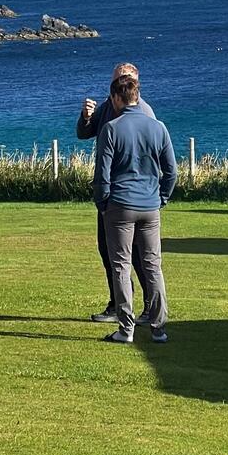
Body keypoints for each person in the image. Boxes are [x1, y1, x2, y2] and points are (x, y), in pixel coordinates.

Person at [96, 72, 177, 345]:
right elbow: (171, 172)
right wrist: (162, 197)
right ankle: (158, 328)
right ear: (137, 96)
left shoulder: (111, 129)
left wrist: (103, 203)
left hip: (120, 205)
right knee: (153, 266)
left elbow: (102, 175)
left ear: (116, 99)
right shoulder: (158, 127)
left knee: (120, 266)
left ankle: (126, 329)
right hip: (150, 206)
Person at [76, 62, 155, 321]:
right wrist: (86, 117)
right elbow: (84, 133)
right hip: (110, 194)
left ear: (135, 84)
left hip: (133, 195)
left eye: (124, 80)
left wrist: (158, 195)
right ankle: (118, 304)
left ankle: (147, 308)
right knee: (108, 251)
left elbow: (155, 157)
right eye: (116, 81)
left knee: (139, 256)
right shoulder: (107, 108)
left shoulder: (145, 112)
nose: (119, 85)